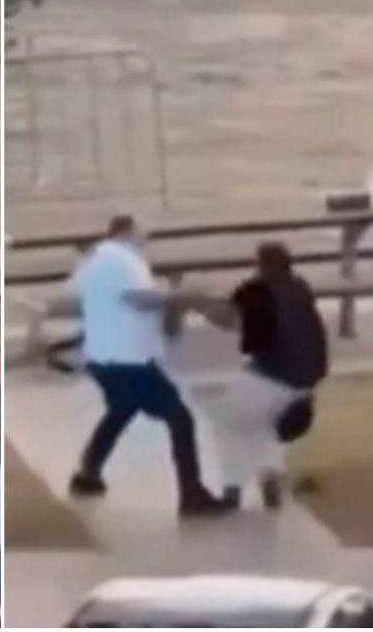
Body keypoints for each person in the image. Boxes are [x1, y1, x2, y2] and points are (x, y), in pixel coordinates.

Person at [66, 215, 232, 517]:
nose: (147, 238)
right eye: (143, 232)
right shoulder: (125, 261)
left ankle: (87, 474)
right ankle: (192, 494)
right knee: (180, 419)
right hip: (130, 360)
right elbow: (137, 299)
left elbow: (82, 299)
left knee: (120, 411)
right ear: (127, 232)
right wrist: (180, 297)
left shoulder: (91, 260)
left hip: (101, 358)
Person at [187, 242, 328, 509]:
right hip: (304, 385)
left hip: (271, 375)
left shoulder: (258, 291)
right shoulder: (300, 287)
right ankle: (269, 478)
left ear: (261, 265)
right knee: (269, 427)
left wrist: (198, 305)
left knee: (229, 423)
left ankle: (232, 489)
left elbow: (227, 319)